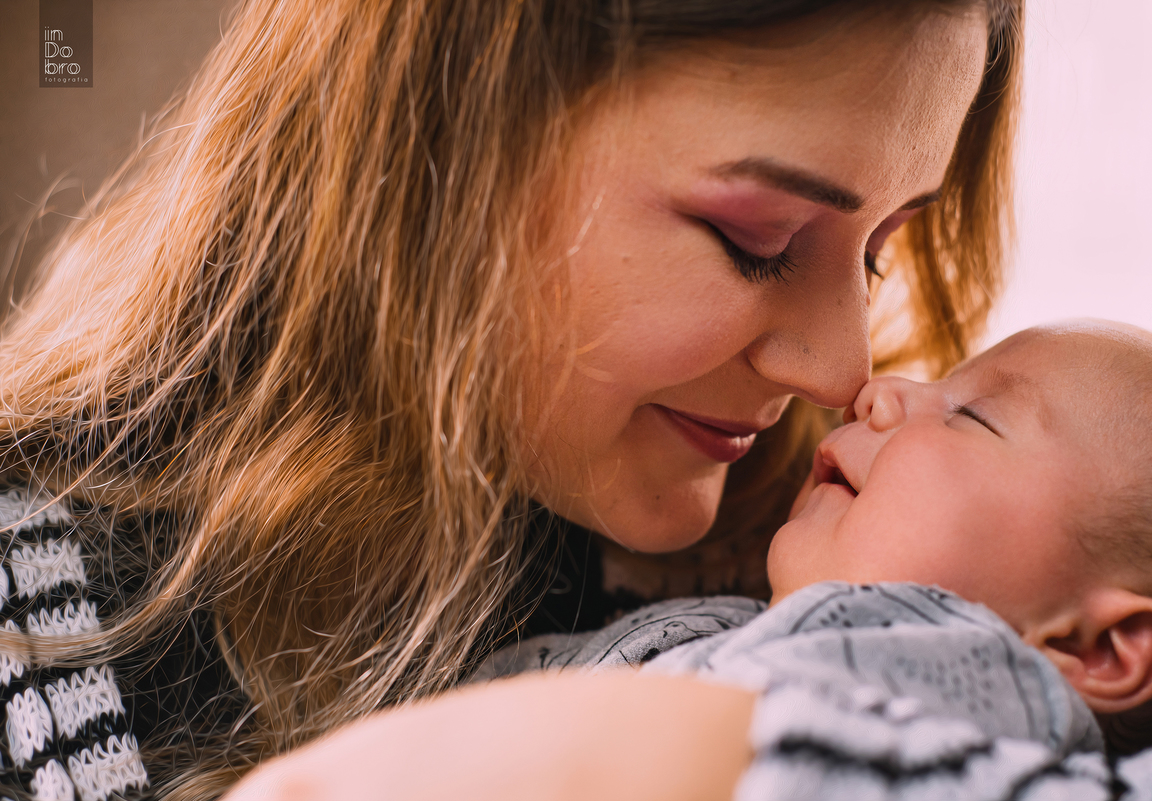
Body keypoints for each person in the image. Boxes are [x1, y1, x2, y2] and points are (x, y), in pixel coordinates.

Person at [0, 0, 1020, 798]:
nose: (846, 373)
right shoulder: (34, 629)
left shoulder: (858, 578)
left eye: (882, 253)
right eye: (757, 240)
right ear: (438, 151)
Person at [224, 321, 1152, 801]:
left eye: (977, 415)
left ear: (1103, 651)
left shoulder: (970, 668)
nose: (884, 391)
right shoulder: (769, 626)